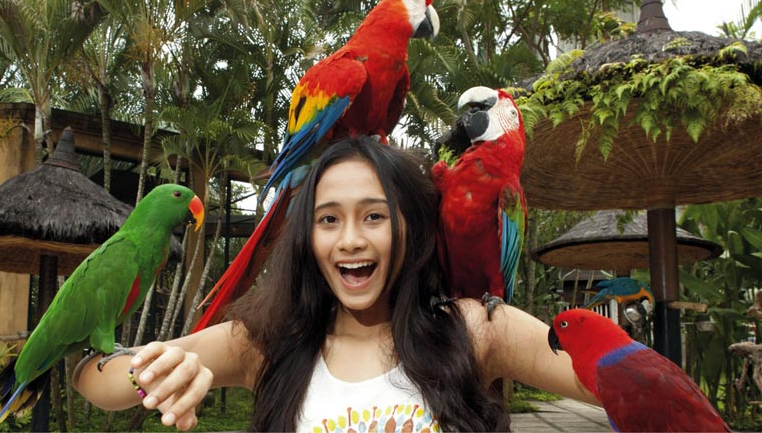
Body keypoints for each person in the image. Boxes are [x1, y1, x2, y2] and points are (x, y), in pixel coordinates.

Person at [73, 136, 597, 431]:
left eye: (374, 217)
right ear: (307, 238)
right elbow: (93, 381)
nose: (350, 240)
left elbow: (625, 382)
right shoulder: (267, 343)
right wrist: (157, 373)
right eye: (328, 220)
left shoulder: (478, 329)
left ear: (410, 227)